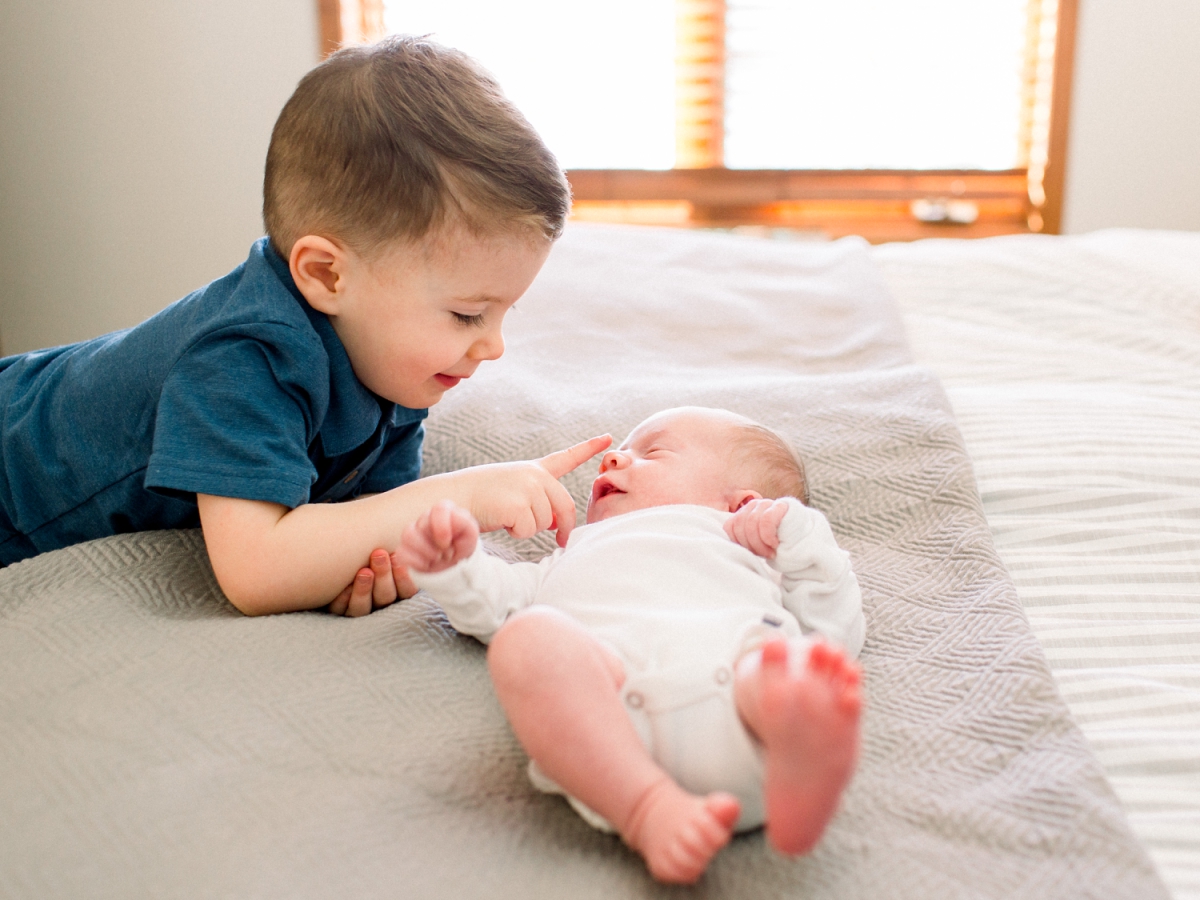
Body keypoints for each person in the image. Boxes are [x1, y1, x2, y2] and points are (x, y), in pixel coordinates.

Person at [0, 36, 610, 615]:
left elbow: (369, 516)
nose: (494, 345)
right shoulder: (244, 357)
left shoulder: (395, 360)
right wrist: (464, 495)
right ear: (326, 274)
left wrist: (376, 559)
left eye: (505, 312)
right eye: (467, 313)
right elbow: (257, 571)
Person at [396, 407, 865, 885]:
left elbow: (834, 627)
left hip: (743, 720)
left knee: (787, 664)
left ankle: (800, 743)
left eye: (652, 452)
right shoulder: (568, 557)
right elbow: (495, 605)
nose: (613, 460)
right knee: (526, 637)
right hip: (616, 739)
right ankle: (648, 809)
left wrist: (803, 537)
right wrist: (456, 566)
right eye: (620, 451)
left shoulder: (753, 547)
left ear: (742, 505)